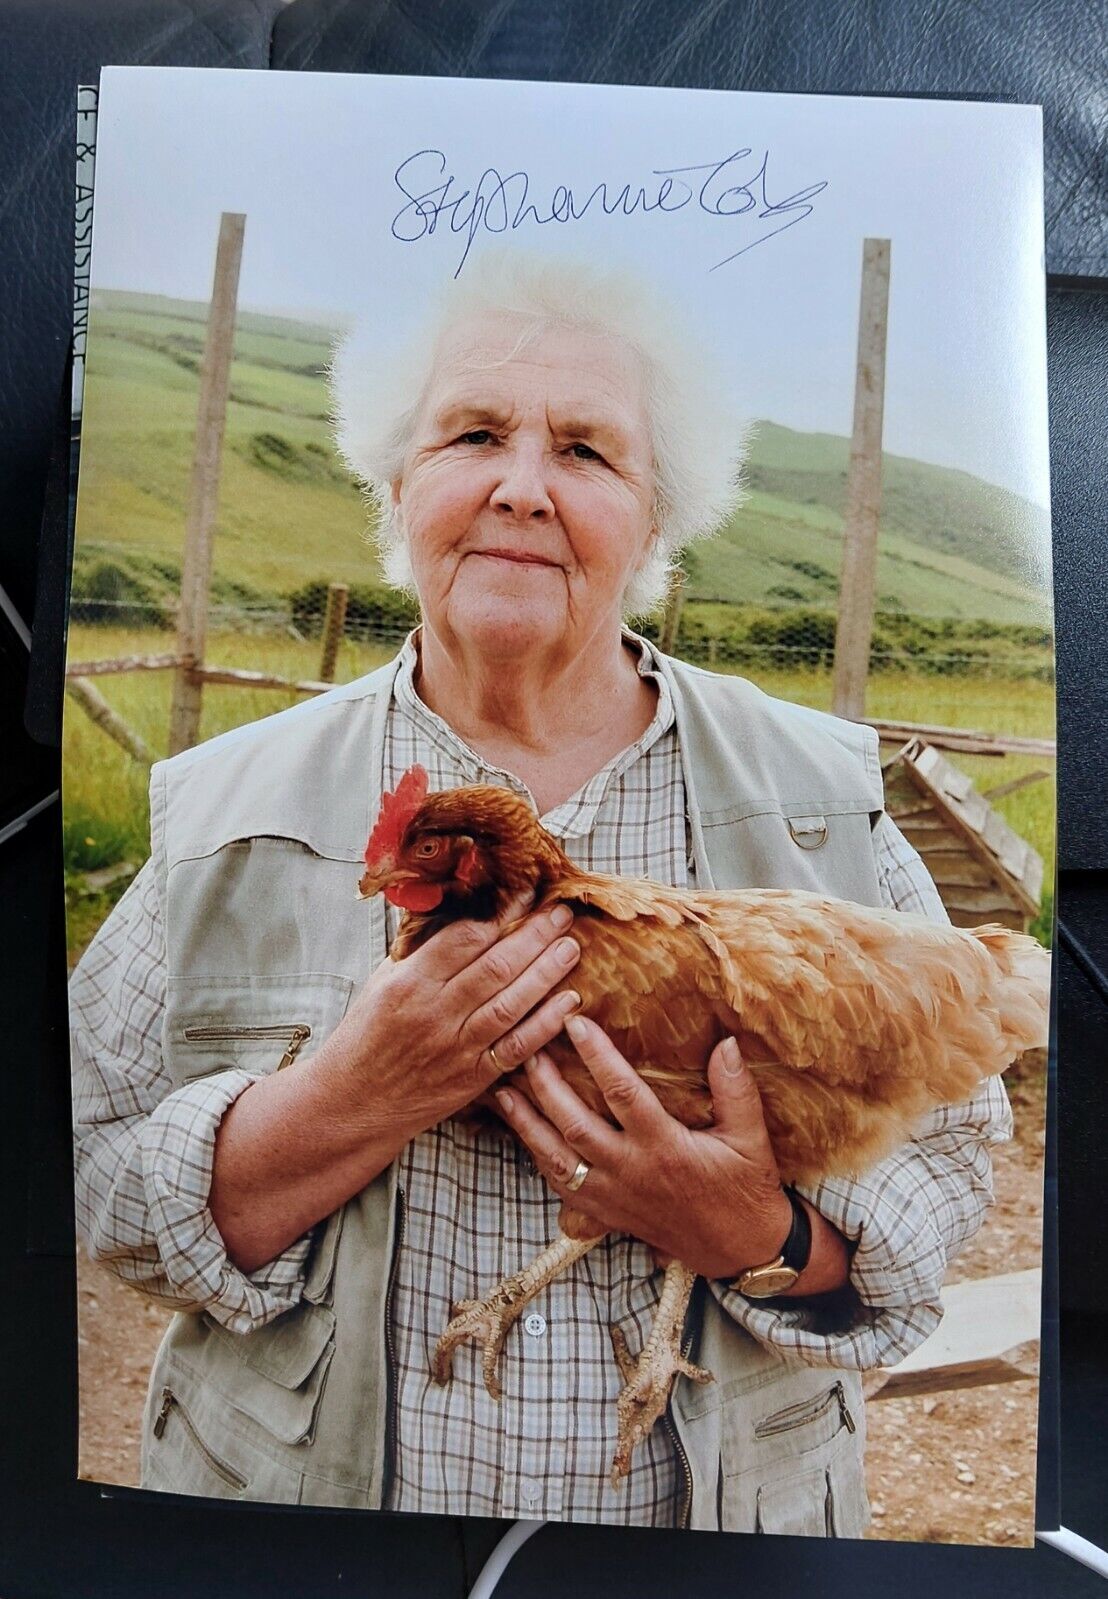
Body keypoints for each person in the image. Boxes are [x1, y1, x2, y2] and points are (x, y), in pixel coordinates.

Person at [70, 253, 1010, 1532]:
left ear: (655, 519)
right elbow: (89, 1168)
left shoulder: (818, 800)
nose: (521, 486)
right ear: (397, 484)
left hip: (715, 1531)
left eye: (585, 451)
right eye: (471, 434)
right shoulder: (226, 810)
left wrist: (763, 1234)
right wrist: (343, 1100)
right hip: (313, 1528)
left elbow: (955, 1147)